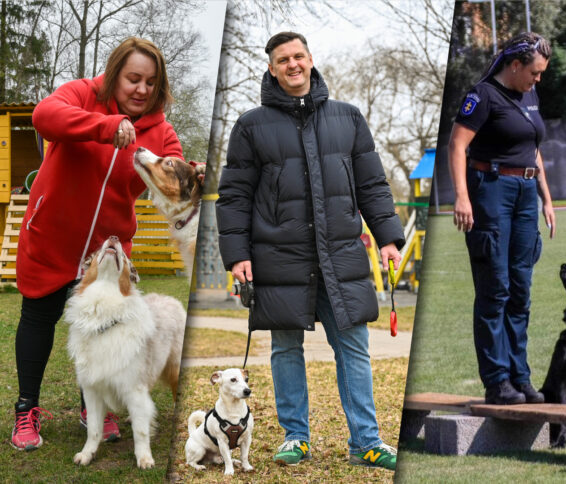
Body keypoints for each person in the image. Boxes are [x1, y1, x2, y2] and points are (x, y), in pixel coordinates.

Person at [216, 32, 404, 471]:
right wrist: (237, 255)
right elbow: (235, 197)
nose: (292, 65)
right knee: (285, 348)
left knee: (354, 347)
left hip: (340, 255)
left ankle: (367, 442)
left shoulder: (349, 118)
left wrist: (389, 239)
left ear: (310, 59)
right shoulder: (250, 125)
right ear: (272, 69)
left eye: (298, 56)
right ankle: (295, 438)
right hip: (278, 258)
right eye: (283, 60)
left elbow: (373, 185)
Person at [12, 37, 182, 451]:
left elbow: (175, 169)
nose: (141, 89)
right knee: (40, 317)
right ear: (114, 75)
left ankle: (96, 407)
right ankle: (26, 410)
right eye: (133, 79)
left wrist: (188, 171)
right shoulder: (82, 94)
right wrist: (106, 127)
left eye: (151, 82)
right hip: (51, 236)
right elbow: (44, 115)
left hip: (106, 250)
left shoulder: (159, 129)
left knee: (106, 330)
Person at [448, 32, 556, 405]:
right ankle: (497, 380)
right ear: (515, 65)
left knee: (521, 289)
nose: (538, 80)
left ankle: (520, 376)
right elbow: (457, 145)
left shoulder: (530, 95)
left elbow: (533, 149)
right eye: (535, 73)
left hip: (526, 193)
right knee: (495, 289)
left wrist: (547, 198)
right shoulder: (482, 96)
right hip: (491, 190)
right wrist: (462, 197)